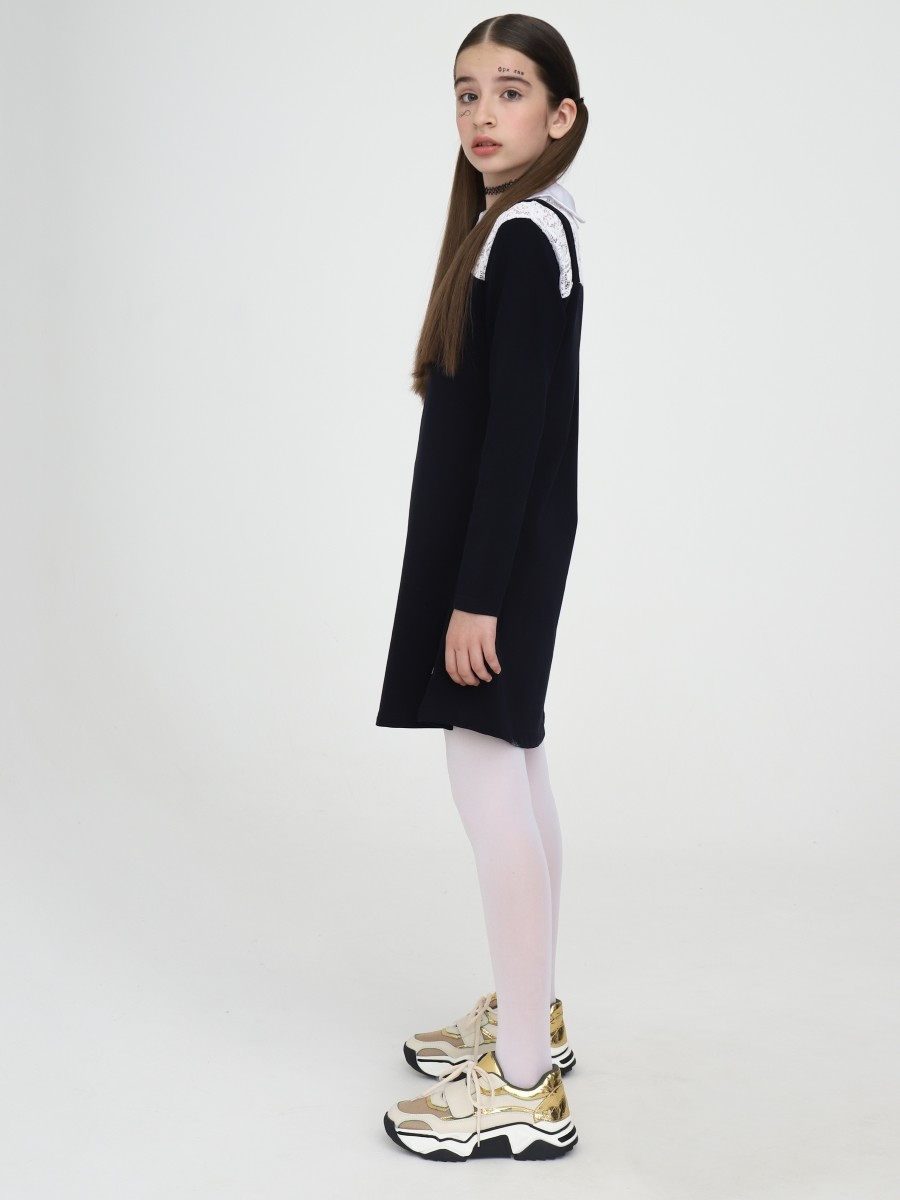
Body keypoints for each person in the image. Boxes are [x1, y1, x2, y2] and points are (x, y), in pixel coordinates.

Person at [375, 13, 588, 1161]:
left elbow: (516, 438)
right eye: (466, 93)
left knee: (486, 776)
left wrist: (479, 595)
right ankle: (528, 1018)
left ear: (561, 117)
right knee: (515, 762)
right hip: (498, 553)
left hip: (492, 563)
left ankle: (520, 1087)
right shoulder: (516, 228)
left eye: (510, 92)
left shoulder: (524, 239)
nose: (482, 114)